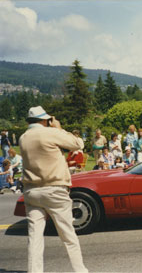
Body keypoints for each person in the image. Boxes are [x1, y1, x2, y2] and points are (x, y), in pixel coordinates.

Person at [19, 106, 87, 273]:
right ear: (45, 120)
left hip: (31, 190)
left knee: (35, 237)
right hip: (54, 188)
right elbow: (78, 144)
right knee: (68, 235)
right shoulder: (50, 132)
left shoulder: (23, 138)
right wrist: (58, 128)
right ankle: (80, 270)